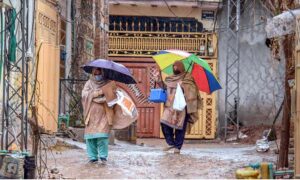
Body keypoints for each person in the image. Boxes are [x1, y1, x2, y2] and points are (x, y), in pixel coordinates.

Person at [155, 61, 202, 154]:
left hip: (182, 108)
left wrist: (183, 85)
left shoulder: (188, 78)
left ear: (181, 67)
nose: (175, 68)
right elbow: (165, 88)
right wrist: (159, 80)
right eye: (174, 67)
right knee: (164, 123)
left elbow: (193, 91)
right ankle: (170, 142)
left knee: (180, 128)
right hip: (170, 106)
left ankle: (178, 147)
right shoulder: (170, 78)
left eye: (176, 67)